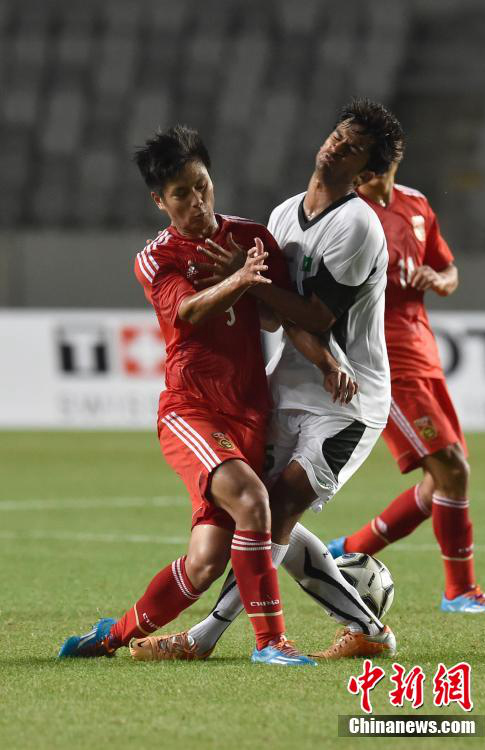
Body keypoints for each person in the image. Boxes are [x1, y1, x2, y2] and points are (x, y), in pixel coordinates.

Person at [58, 125, 355, 667]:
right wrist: (240, 279)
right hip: (191, 410)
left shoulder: (253, 237)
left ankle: (112, 635)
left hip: (249, 413)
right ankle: (271, 644)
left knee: (205, 562)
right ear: (159, 200)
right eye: (180, 194)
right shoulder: (157, 257)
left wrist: (327, 360)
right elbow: (189, 311)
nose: (196, 202)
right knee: (253, 501)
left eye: (201, 186)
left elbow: (277, 317)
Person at [128, 98, 406, 663]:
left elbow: (318, 317)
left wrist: (243, 280)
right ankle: (365, 626)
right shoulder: (281, 217)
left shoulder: (357, 226)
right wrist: (244, 287)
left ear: (367, 173)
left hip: (346, 402)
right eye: (338, 134)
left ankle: (205, 637)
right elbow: (277, 316)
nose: (336, 145)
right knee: (259, 514)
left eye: (353, 148)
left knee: (272, 509)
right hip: (287, 387)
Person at [327, 153, 485, 614]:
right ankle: (460, 591)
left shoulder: (416, 205)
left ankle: (345, 550)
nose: (364, 175)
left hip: (424, 356)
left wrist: (440, 280)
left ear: (394, 160)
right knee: (452, 471)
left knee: (441, 484)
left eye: (372, 165)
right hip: (382, 363)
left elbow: (448, 270)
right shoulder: (349, 215)